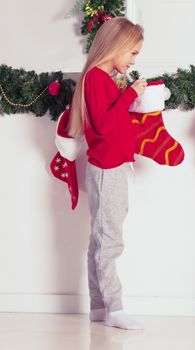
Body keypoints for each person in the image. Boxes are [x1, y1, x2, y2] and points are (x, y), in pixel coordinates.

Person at [67, 17, 147, 330]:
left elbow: (112, 123)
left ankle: (99, 306)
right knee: (108, 240)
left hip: (114, 166)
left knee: (102, 238)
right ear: (116, 47)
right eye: (132, 53)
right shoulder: (96, 79)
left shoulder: (104, 79)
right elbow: (104, 124)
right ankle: (115, 307)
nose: (134, 60)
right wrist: (129, 95)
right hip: (106, 169)